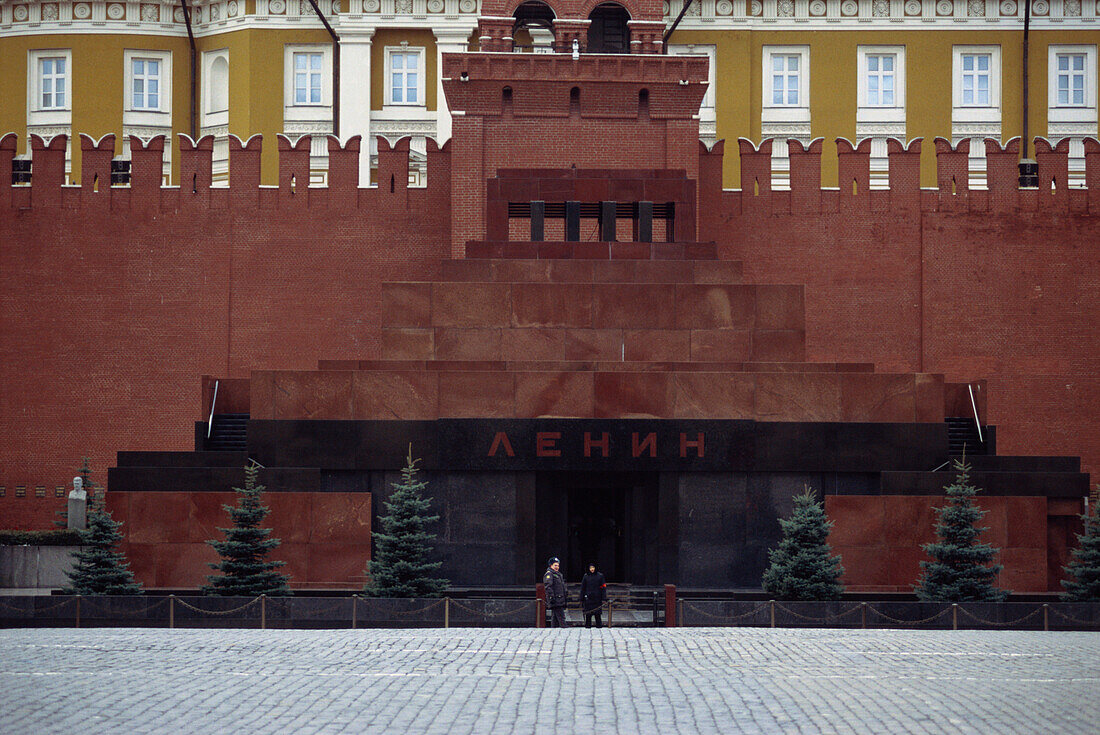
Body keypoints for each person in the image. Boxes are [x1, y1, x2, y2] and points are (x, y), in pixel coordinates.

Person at [580, 562, 607, 628]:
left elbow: (603, 587)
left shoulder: (600, 576)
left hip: (597, 598)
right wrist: (581, 598)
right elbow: (583, 587)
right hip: (588, 598)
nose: (592, 569)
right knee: (588, 615)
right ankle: (588, 627)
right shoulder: (586, 576)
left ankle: (599, 627)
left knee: (597, 615)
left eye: (593, 567)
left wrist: (604, 598)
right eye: (590, 568)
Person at [543, 557, 568, 628]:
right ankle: (564, 630)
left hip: (559, 599)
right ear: (551, 565)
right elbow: (548, 587)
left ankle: (553, 630)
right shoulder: (549, 574)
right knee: (561, 617)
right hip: (556, 600)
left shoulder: (558, 574)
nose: (557, 567)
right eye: (555, 565)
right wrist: (551, 597)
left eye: (558, 565)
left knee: (555, 618)